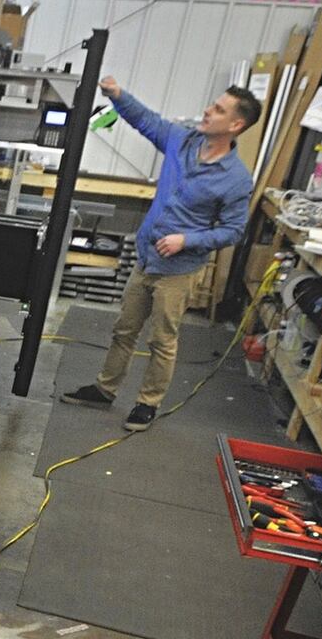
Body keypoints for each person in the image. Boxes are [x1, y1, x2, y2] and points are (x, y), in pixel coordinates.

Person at [61, 79, 259, 430]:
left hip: (178, 269)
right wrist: (118, 95)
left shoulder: (236, 179)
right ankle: (105, 389)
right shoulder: (182, 140)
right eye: (212, 104)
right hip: (147, 256)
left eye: (218, 110)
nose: (207, 111)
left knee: (162, 339)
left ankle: (147, 403)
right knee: (124, 329)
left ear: (235, 125)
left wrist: (188, 240)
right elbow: (147, 120)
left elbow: (233, 230)